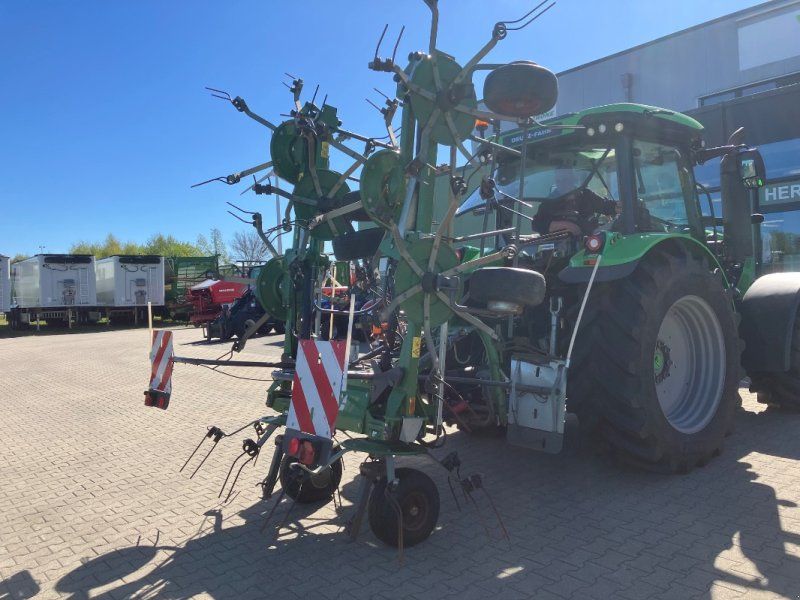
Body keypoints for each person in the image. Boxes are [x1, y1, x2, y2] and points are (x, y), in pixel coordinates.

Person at [532, 166, 616, 236]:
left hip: (589, 245)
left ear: (572, 179)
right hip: (558, 249)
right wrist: (563, 225)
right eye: (558, 181)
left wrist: (619, 206)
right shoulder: (549, 202)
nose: (562, 183)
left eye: (565, 180)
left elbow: (607, 207)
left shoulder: (586, 195)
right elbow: (536, 224)